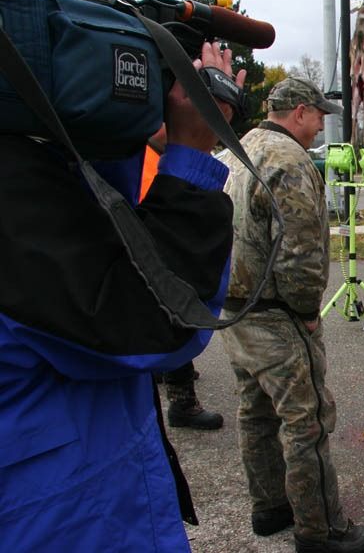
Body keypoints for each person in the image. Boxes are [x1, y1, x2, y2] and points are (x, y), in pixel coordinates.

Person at [0, 40, 245, 552]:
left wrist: (122, 130)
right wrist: (191, 153)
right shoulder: (15, 180)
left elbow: (99, 238)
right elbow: (158, 316)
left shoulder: (32, 163)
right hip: (64, 519)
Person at [220, 76, 364, 553]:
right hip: (277, 317)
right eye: (318, 117)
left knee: (254, 411)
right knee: (305, 423)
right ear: (299, 112)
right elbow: (301, 249)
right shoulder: (288, 160)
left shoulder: (236, 149)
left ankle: (269, 506)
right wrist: (307, 309)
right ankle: (321, 531)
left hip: (235, 311)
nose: (319, 128)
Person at [143, 127, 224, 430]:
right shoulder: (149, 159)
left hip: (148, 254)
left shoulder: (144, 155)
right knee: (176, 317)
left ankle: (165, 372)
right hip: (156, 259)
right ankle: (183, 403)